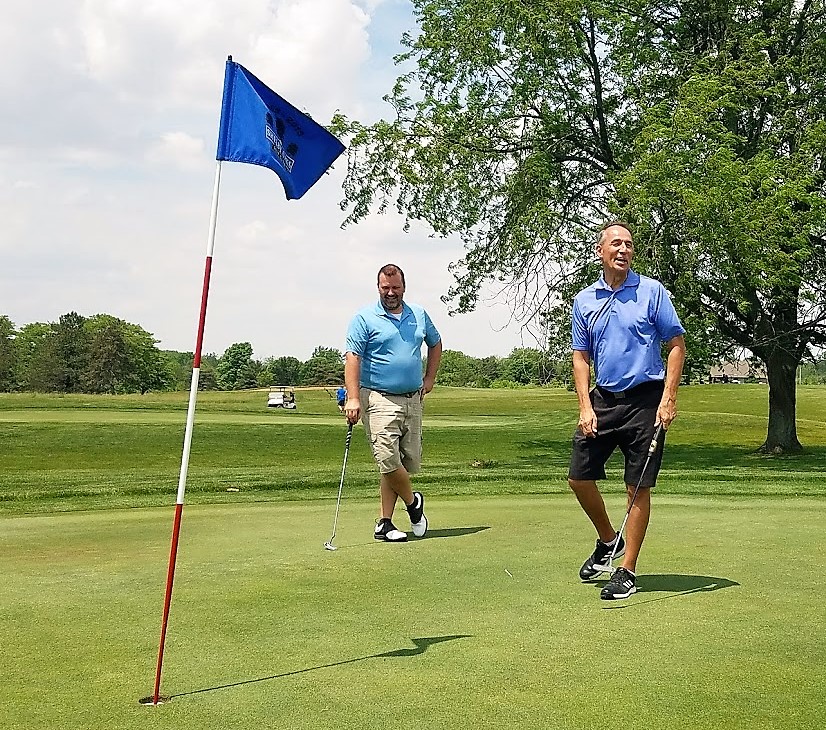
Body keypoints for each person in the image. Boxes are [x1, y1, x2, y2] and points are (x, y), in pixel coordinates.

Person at [568, 221, 686, 600]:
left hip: (646, 399)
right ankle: (608, 539)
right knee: (578, 476)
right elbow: (581, 356)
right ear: (600, 251)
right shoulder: (585, 300)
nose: (623, 250)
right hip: (604, 399)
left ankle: (627, 570)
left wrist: (669, 398)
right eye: (616, 244)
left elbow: (676, 344)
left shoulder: (651, 292)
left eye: (629, 245)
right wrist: (585, 405)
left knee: (637, 487)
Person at [344, 264, 443, 542]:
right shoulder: (364, 318)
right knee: (387, 458)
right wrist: (353, 397)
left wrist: (430, 378)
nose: (390, 293)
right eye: (385, 288)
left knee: (400, 462)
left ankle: (385, 522)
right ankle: (414, 504)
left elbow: (435, 343)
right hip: (378, 397)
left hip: (413, 398)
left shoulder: (419, 315)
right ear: (378, 288)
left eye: (395, 288)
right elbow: (353, 357)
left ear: (403, 288)